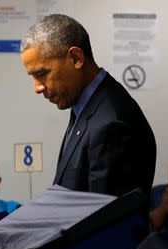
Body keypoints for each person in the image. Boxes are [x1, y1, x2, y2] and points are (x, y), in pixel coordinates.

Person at [20, 14, 156, 197]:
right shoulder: (86, 106)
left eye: (42, 73)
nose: (37, 87)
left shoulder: (110, 125)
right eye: (33, 77)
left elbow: (104, 219)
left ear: (76, 58)